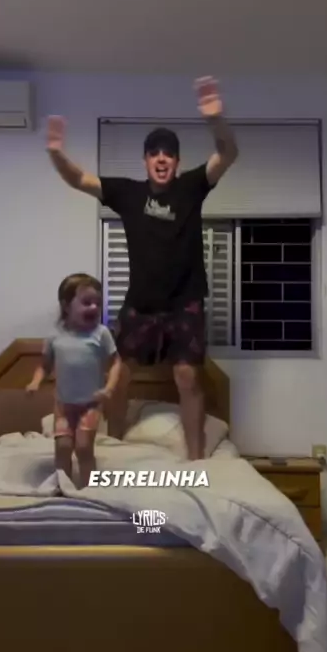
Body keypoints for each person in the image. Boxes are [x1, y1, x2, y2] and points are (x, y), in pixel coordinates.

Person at [45, 77, 238, 462]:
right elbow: (79, 179)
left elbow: (228, 153)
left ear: (177, 162)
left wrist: (215, 119)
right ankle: (113, 446)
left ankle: (197, 463)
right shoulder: (129, 193)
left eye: (169, 154)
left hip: (185, 302)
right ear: (146, 160)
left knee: (187, 376)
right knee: (118, 376)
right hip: (141, 303)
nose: (162, 159)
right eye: (154, 153)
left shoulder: (191, 186)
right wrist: (56, 153)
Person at [26, 273, 122, 488]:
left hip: (90, 404)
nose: (94, 308)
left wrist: (109, 388)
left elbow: (116, 362)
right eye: (86, 302)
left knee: (84, 447)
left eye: (97, 303)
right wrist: (35, 382)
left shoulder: (101, 334)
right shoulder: (55, 336)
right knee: (62, 447)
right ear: (66, 306)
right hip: (63, 406)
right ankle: (62, 487)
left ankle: (89, 489)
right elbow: (44, 365)